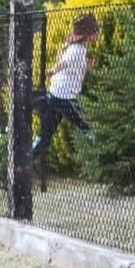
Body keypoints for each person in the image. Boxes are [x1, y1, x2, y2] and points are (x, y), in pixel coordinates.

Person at [32, 13, 98, 159]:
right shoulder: (76, 50)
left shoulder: (78, 50)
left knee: (45, 136)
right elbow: (65, 63)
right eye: (95, 32)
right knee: (88, 126)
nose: (97, 35)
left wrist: (86, 65)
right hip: (65, 98)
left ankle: (27, 157)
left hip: (55, 96)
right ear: (88, 35)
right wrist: (52, 70)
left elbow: (73, 64)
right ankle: (101, 151)